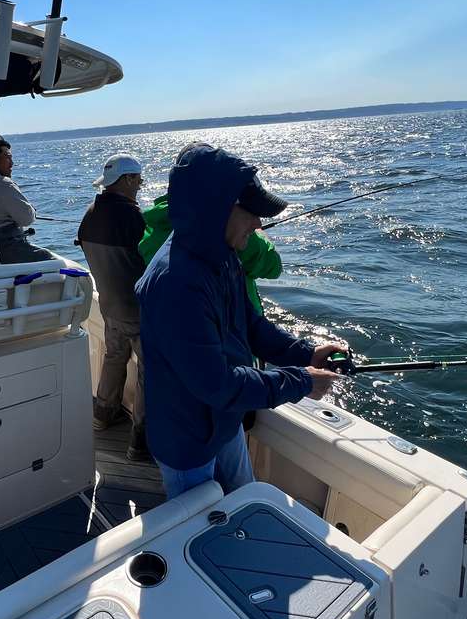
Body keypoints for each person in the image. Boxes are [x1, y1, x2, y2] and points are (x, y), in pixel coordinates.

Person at [135, 145, 345, 499]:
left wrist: (305, 354)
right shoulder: (176, 283)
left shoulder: (221, 255)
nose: (259, 224)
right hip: (188, 439)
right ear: (219, 210)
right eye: (252, 213)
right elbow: (216, 384)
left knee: (242, 500)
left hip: (224, 421)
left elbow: (247, 322)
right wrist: (301, 382)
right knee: (204, 527)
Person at [139, 143, 282, 315]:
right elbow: (272, 266)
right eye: (250, 212)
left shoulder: (151, 232)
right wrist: (260, 236)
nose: (258, 223)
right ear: (217, 206)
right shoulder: (191, 278)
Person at [77, 154, 150, 462]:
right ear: (128, 180)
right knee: (150, 370)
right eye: (139, 180)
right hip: (136, 309)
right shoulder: (133, 217)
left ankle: (102, 414)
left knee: (114, 356)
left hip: (108, 305)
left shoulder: (90, 213)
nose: (140, 187)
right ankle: (140, 440)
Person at [0, 134, 53, 263]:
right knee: (50, 259)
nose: (12, 163)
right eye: (7, 157)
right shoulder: (1, 183)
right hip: (6, 247)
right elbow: (26, 218)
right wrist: (32, 210)